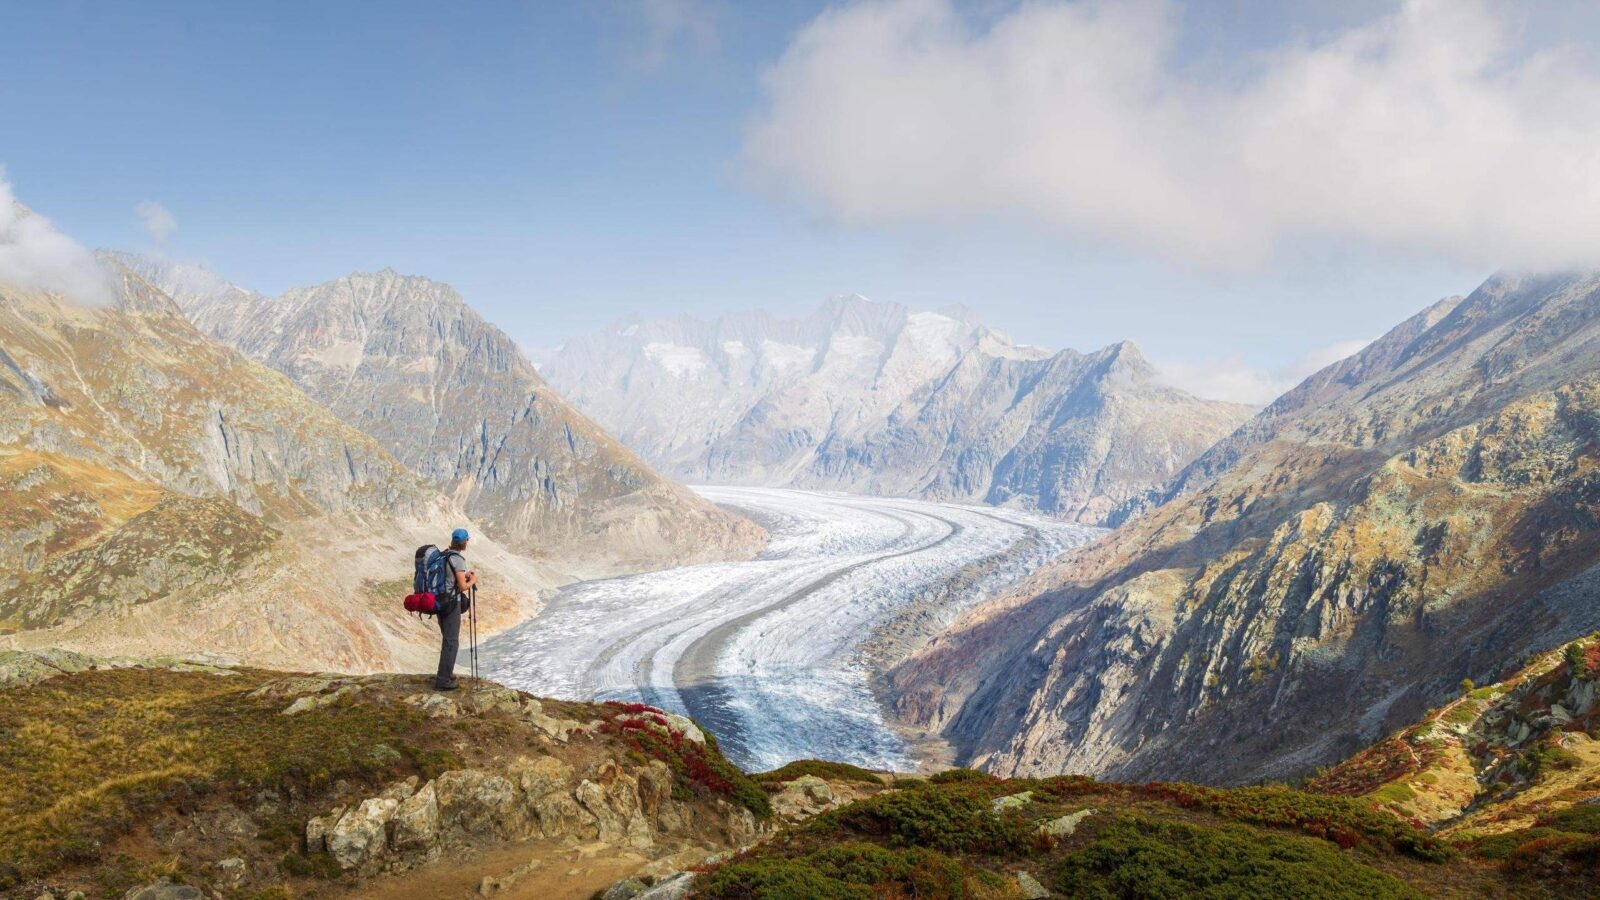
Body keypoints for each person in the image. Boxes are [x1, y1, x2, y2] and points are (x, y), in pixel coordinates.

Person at [434, 527, 479, 691]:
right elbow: (462, 586)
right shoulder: (458, 559)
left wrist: (463, 576)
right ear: (464, 541)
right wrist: (472, 580)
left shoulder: (444, 554)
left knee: (448, 639)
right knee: (451, 641)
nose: (468, 542)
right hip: (451, 604)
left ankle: (446, 674)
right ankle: (443, 680)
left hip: (440, 602)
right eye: (467, 539)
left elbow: (450, 579)